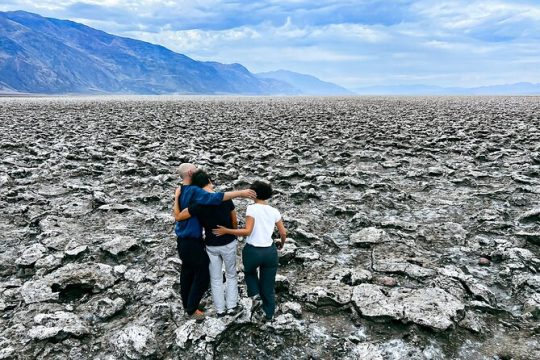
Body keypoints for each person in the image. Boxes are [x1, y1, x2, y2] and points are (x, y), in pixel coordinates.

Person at [173, 163, 255, 321]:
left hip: (185, 241)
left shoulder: (181, 190)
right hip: (195, 241)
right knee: (204, 274)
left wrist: (176, 198)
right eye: (196, 168)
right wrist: (241, 193)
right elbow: (216, 198)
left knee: (188, 272)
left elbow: (178, 215)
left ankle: (192, 305)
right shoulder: (196, 192)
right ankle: (192, 308)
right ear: (190, 172)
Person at [213, 180, 287, 322]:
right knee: (268, 285)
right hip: (270, 252)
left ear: (253, 194)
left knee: (250, 273)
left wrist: (226, 231)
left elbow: (247, 231)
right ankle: (269, 315)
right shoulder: (274, 211)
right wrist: (281, 244)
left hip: (253, 250)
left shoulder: (251, 208)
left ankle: (255, 296)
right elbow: (283, 233)